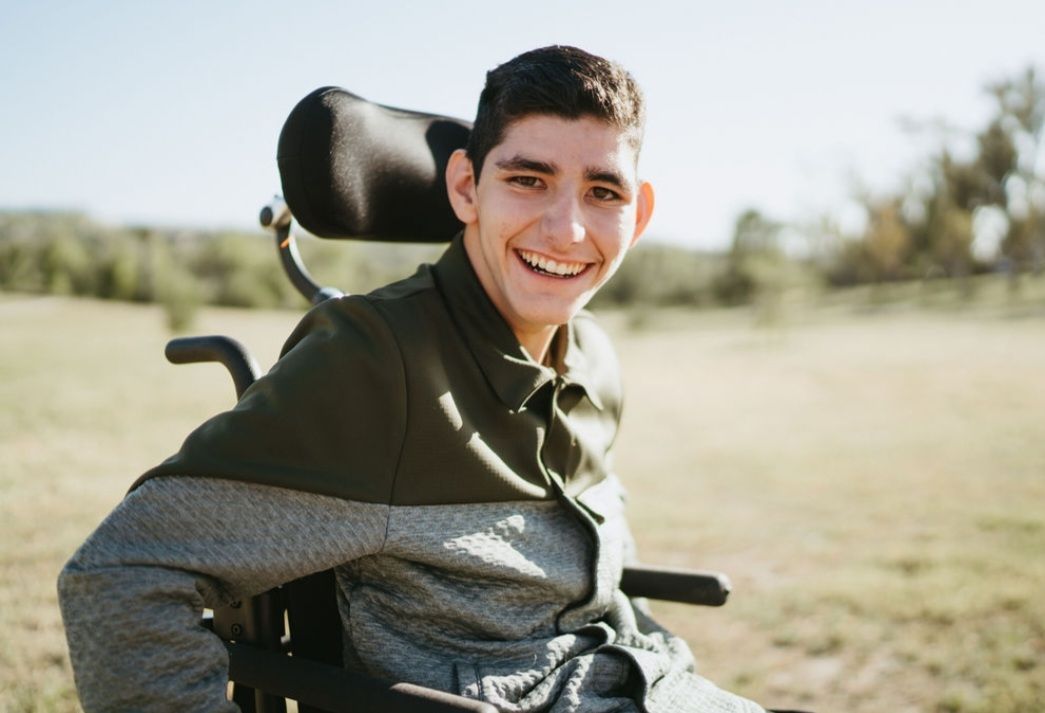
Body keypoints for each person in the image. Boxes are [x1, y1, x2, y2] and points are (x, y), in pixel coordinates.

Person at [58, 46, 771, 712]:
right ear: (465, 187)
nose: (567, 230)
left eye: (603, 191)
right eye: (528, 180)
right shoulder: (376, 362)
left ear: (637, 214)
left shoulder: (593, 357)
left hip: (647, 683)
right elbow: (121, 575)